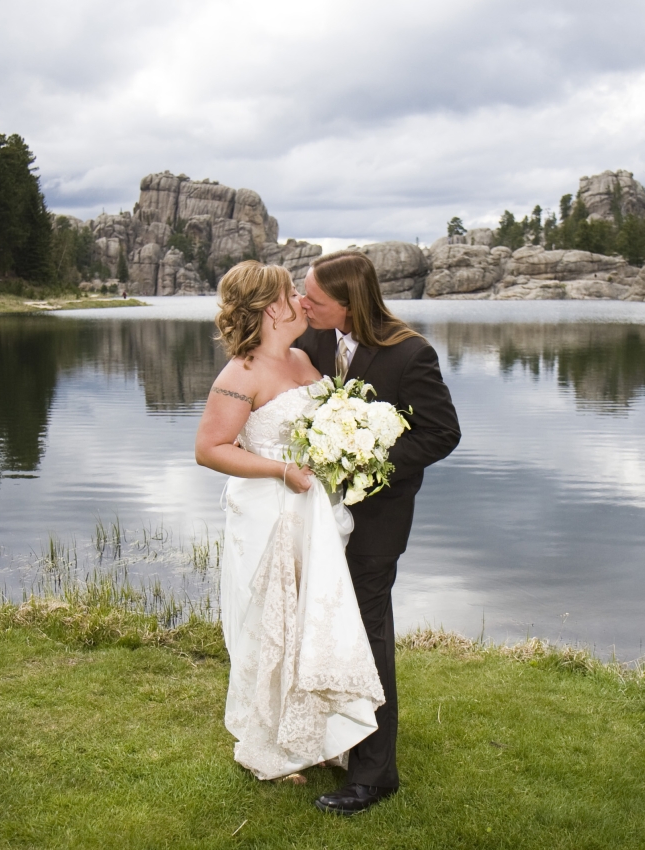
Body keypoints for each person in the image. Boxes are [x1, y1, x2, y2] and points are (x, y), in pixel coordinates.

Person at [195, 260, 385, 783]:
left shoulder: (304, 359)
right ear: (271, 308)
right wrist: (282, 470)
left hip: (316, 514)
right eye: (292, 294)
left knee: (310, 622)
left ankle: (316, 733)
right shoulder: (242, 373)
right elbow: (209, 448)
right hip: (269, 513)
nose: (304, 301)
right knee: (272, 623)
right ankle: (272, 742)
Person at [295, 250, 461, 815]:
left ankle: (374, 774)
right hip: (315, 518)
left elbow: (441, 433)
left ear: (348, 303)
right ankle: (331, 742)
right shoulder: (313, 341)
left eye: (313, 299)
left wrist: (368, 462)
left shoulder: (411, 352)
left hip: (378, 520)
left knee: (368, 637)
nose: (302, 305)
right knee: (321, 629)